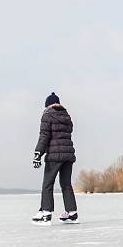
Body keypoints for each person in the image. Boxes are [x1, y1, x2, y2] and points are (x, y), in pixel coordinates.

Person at [32, 92, 79, 224]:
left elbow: (44, 136)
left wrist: (38, 154)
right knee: (66, 184)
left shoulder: (47, 116)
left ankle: (46, 213)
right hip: (68, 155)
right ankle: (72, 213)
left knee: (47, 184)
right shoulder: (67, 117)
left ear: (48, 105)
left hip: (54, 155)